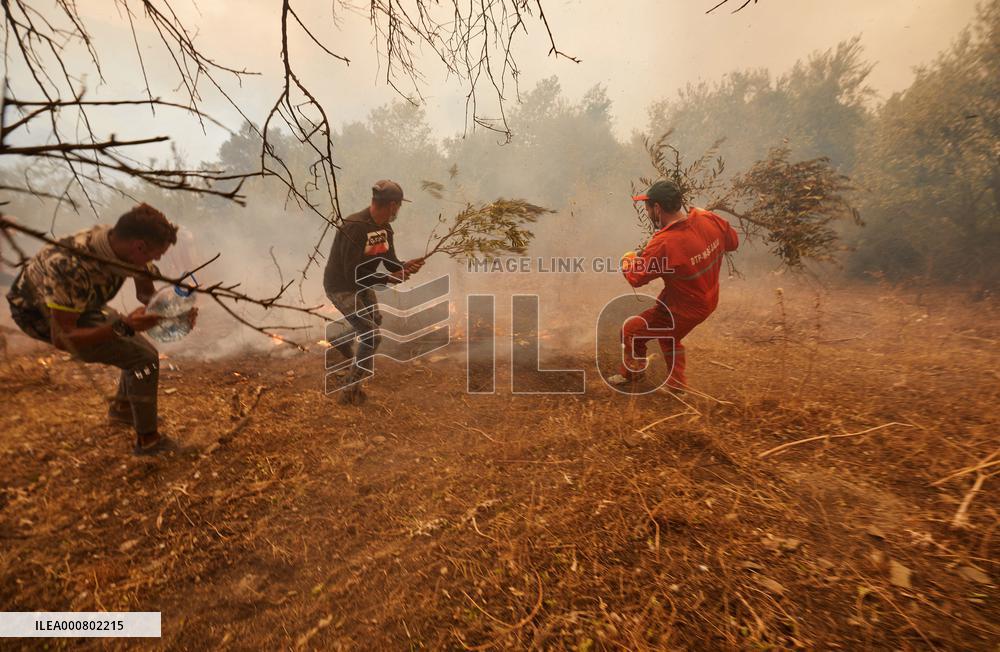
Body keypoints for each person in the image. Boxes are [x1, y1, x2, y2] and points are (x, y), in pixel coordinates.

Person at [5, 204, 195, 454]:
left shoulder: (125, 248)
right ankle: (148, 442)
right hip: (38, 313)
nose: (157, 261)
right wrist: (122, 326)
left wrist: (176, 312)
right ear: (139, 246)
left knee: (139, 348)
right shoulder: (69, 265)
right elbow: (64, 338)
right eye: (156, 255)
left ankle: (123, 410)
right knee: (144, 359)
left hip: (80, 304)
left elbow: (145, 293)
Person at [609, 180, 739, 390]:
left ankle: (633, 373)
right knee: (669, 335)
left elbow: (635, 277)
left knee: (631, 330)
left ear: (657, 208)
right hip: (708, 297)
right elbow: (733, 242)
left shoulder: (665, 242)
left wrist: (628, 258)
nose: (648, 212)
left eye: (648, 208)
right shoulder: (706, 217)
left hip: (684, 308)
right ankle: (677, 384)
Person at [323, 180, 425, 405]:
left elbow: (390, 263)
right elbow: (351, 275)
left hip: (362, 282)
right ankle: (350, 391)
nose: (398, 211)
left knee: (374, 320)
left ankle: (339, 339)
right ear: (392, 205)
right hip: (341, 286)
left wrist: (405, 266)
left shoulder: (385, 228)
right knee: (372, 336)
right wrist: (389, 278)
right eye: (398, 206)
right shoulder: (355, 227)